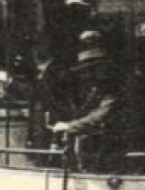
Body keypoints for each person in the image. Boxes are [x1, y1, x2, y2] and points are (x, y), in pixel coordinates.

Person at [52, 40, 125, 169]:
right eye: (85, 71)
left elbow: (102, 115)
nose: (87, 75)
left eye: (92, 70)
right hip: (91, 152)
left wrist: (70, 126)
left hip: (112, 152)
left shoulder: (114, 89)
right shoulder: (93, 90)